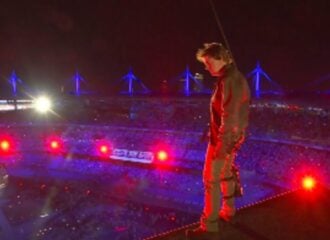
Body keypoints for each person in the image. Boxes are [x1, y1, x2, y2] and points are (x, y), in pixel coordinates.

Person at [186, 42, 250, 239]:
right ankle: (229, 211)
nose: (205, 67)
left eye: (207, 62)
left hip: (224, 140)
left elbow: (230, 116)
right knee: (225, 174)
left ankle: (209, 226)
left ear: (220, 58)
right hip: (230, 138)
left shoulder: (229, 80)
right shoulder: (232, 77)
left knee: (210, 180)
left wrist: (222, 145)